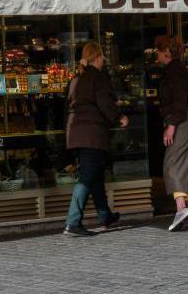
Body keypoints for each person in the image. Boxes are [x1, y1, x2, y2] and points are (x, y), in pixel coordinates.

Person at [63, 42, 129, 237]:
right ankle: (73, 222)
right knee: (86, 178)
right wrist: (119, 117)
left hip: (75, 134)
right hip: (91, 135)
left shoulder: (77, 78)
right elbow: (105, 103)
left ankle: (104, 215)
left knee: (95, 175)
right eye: (102, 58)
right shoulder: (97, 77)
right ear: (98, 58)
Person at [155, 35, 188, 232]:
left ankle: (181, 209)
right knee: (184, 163)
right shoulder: (175, 69)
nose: (155, 54)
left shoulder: (174, 71)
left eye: (157, 51)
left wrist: (172, 125)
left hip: (183, 120)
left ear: (166, 52)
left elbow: (179, 101)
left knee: (172, 163)